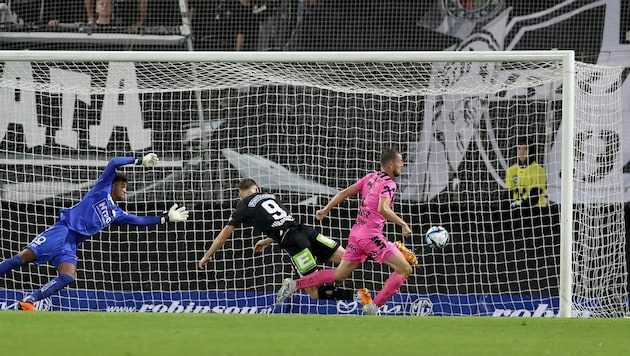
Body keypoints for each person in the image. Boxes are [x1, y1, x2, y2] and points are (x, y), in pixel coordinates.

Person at [0, 153, 189, 311]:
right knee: (21, 259)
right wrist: (139, 161)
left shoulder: (116, 213)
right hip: (61, 231)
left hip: (71, 244)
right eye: (122, 185)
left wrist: (165, 218)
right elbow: (114, 162)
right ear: (112, 185)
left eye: (126, 186)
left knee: (67, 277)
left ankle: (29, 301)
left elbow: (138, 220)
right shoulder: (100, 191)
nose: (125, 189)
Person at [275, 148, 417, 315]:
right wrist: (403, 224)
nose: (403, 164)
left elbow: (345, 192)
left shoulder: (370, 177)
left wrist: (326, 209)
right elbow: (383, 208)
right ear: (390, 164)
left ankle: (294, 285)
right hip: (371, 236)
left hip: (356, 234)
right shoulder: (389, 184)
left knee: (339, 274)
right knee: (405, 269)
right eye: (400, 162)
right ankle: (374, 307)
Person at [198, 178, 356, 302]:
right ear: (257, 189)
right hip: (305, 231)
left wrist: (207, 255)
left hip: (294, 242)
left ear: (240, 195)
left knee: (314, 292)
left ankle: (353, 298)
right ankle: (358, 297)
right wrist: (268, 240)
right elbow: (282, 222)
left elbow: (223, 236)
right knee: (349, 260)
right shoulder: (271, 197)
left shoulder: (243, 206)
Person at [505, 138, 547, 209]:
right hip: (516, 210)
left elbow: (535, 197)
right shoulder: (511, 170)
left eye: (525, 149)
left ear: (530, 151)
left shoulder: (538, 170)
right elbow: (508, 194)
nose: (521, 152)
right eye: (519, 148)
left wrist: (520, 208)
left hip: (536, 210)